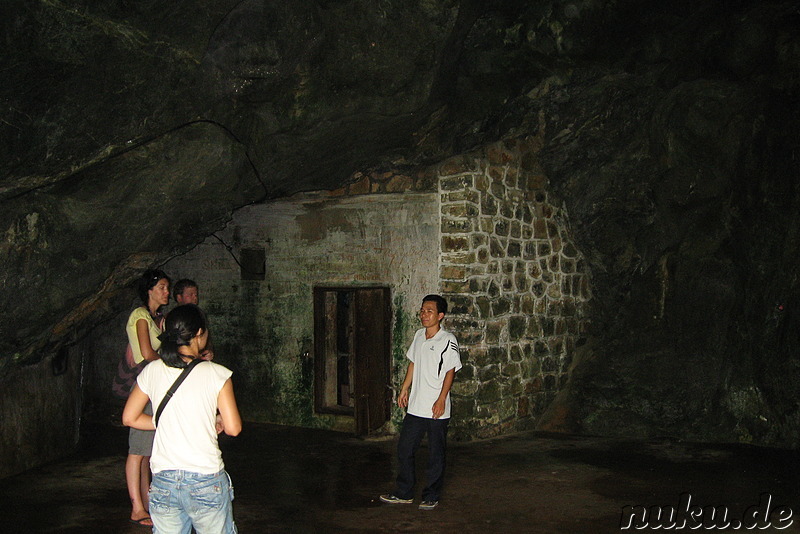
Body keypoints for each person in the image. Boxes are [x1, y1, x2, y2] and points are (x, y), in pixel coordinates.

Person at [123, 304, 242, 534]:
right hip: (206, 480)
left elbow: (129, 417)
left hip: (164, 482)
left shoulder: (152, 370)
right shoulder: (217, 373)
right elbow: (234, 428)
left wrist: (162, 422)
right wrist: (215, 420)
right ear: (199, 334)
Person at [380, 295, 462, 510]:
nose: (424, 315)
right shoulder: (418, 336)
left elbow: (450, 372)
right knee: (405, 449)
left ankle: (431, 495)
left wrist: (442, 399)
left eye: (429, 311)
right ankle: (404, 492)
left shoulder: (447, 340)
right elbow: (413, 363)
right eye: (422, 311)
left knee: (436, 454)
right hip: (416, 407)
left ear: (440, 316)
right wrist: (404, 388)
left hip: (436, 408)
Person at [125, 269, 171, 527]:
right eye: (162, 287)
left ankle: (146, 503)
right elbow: (146, 352)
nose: (166, 292)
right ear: (150, 289)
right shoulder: (140, 315)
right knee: (137, 450)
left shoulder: (157, 319)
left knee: (147, 451)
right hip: (145, 385)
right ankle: (136, 508)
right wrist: (173, 360)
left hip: (155, 384)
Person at [172, 278, 215, 361]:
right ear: (179, 297)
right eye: (190, 295)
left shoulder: (199, 316)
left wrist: (209, 352)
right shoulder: (172, 319)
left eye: (196, 295)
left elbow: (207, 343)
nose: (194, 298)